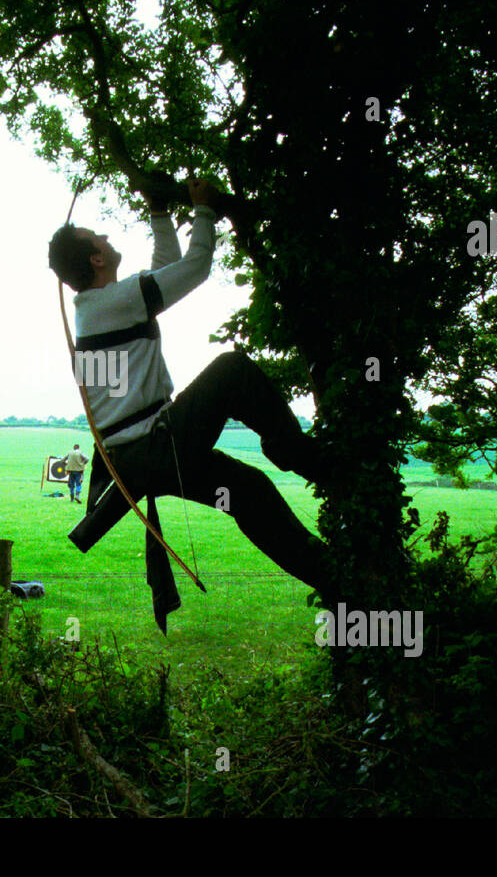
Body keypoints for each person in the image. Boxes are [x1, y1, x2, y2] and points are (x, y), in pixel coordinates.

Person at [48, 177, 334, 633]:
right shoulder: (111, 303)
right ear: (97, 258)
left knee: (247, 491)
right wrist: (203, 210)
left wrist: (161, 215)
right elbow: (195, 268)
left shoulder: (104, 304)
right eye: (97, 237)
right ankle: (301, 456)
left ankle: (333, 578)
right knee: (231, 370)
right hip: (157, 446)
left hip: (150, 453)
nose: (105, 236)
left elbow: (166, 270)